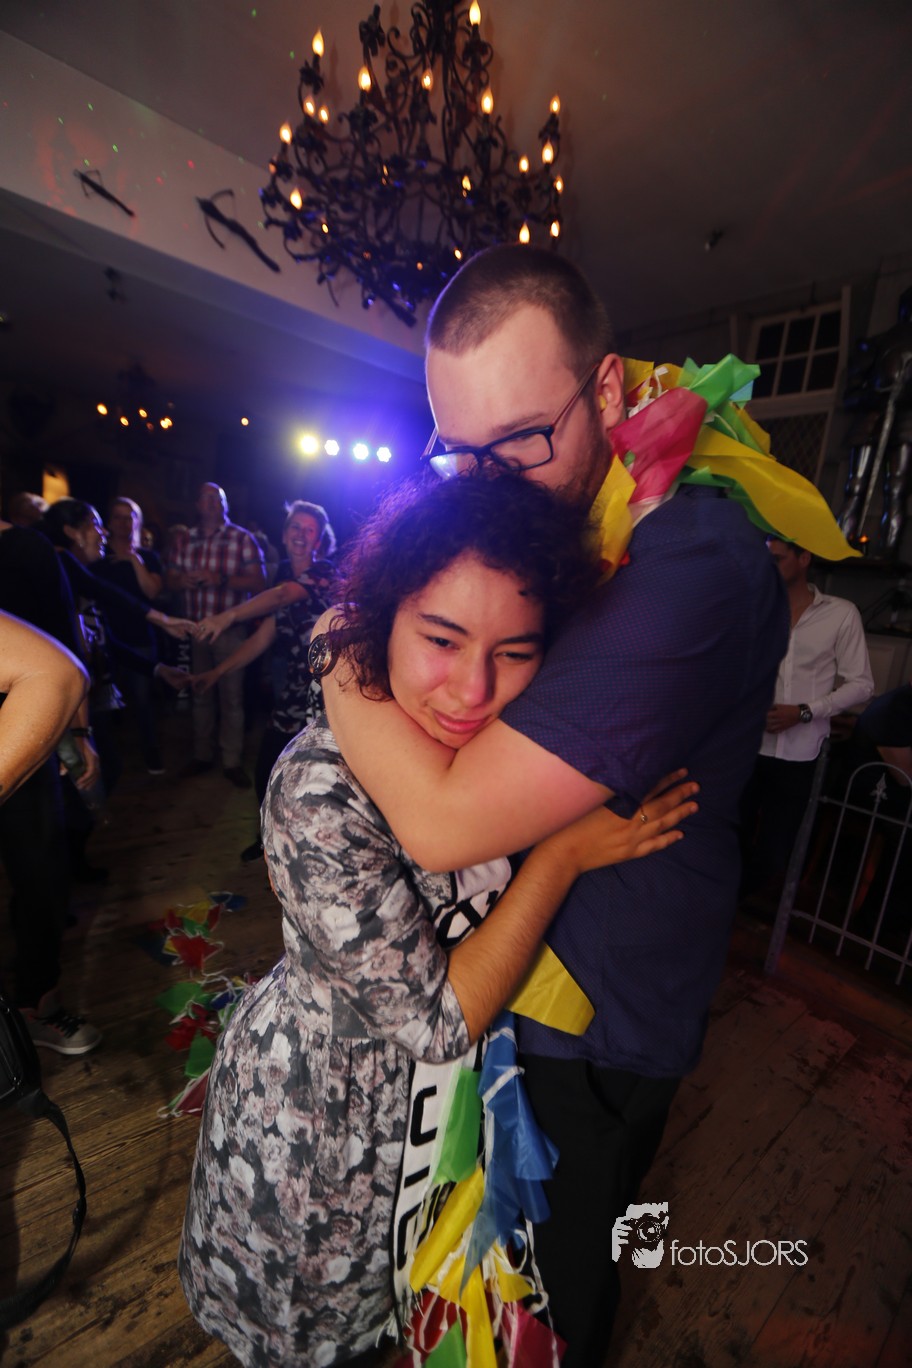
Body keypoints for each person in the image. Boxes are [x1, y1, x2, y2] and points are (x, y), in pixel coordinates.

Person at [319, 245, 801, 1363]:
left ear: (611, 389)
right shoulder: (561, 526)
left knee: (552, 1303)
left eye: (523, 441)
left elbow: (440, 822)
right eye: (463, 455)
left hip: (596, 1016)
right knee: (474, 1276)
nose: (492, 487)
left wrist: (339, 644)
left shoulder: (691, 562)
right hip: (507, 974)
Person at [178, 474, 697, 1368]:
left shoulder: (502, 757)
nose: (472, 689)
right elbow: (437, 1019)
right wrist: (564, 855)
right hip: (322, 1125)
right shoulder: (318, 792)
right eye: (442, 639)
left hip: (431, 1125)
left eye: (515, 652)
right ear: (385, 619)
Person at [193, 500, 337, 862]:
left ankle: (311, 853)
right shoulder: (282, 582)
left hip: (327, 695)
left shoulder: (324, 573)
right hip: (293, 694)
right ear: (284, 535)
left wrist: (227, 617)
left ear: (319, 540)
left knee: (317, 779)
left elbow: (282, 596)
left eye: (309, 530)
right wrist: (216, 673)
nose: (301, 535)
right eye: (295, 527)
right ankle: (269, 842)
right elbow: (261, 640)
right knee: (268, 771)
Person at [741, 536, 874, 901]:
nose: (769, 567)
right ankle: (723, 914)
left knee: (775, 852)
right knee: (727, 836)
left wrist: (804, 711)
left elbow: (862, 685)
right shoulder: (755, 608)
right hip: (746, 746)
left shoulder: (840, 613)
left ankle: (742, 905)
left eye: (778, 559)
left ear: (804, 558)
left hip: (800, 754)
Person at [165, 483, 266, 787]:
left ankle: (231, 761)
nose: (211, 503)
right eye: (205, 498)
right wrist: (181, 580)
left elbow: (259, 583)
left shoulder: (241, 538)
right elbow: (169, 579)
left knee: (232, 699)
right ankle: (202, 755)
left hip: (230, 631)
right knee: (201, 694)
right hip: (196, 629)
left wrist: (219, 578)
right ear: (197, 504)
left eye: (216, 499)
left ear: (225, 505)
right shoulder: (185, 539)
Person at [96, 496, 167, 774]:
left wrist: (133, 560)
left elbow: (152, 592)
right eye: (118, 517)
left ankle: (151, 754)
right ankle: (106, 761)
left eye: (130, 517)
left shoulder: (148, 557)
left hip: (139, 638)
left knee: (143, 702)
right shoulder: (97, 555)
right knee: (103, 705)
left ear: (137, 522)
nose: (124, 523)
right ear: (109, 521)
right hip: (103, 640)